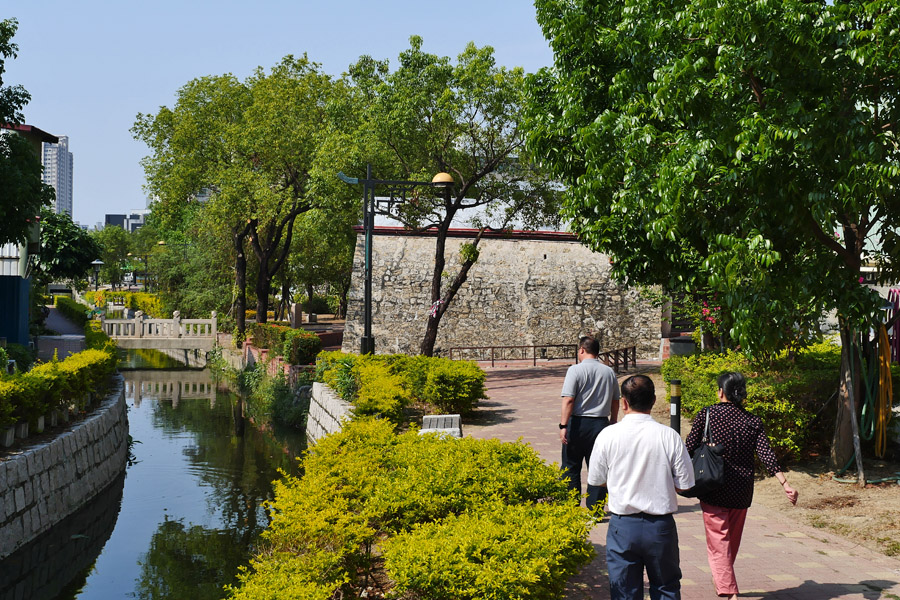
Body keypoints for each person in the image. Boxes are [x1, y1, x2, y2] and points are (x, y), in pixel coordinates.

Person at [685, 372, 799, 600]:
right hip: (742, 489)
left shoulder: (707, 414)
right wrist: (785, 483)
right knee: (731, 542)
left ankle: (729, 592)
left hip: (713, 485)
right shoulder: (752, 420)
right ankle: (722, 578)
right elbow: (766, 454)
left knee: (719, 542)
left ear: (720, 392)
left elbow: (688, 447)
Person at [588, 374, 695, 600]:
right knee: (666, 588)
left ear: (624, 403)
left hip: (623, 526)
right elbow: (685, 485)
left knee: (624, 591)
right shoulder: (669, 436)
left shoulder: (608, 435)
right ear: (654, 401)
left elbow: (596, 479)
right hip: (660, 526)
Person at [559, 335, 620, 512]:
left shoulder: (575, 371)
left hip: (577, 423)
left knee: (571, 465)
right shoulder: (608, 372)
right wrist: (613, 420)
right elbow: (616, 399)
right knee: (598, 466)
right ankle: (596, 508)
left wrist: (563, 426)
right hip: (600, 424)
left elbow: (569, 400)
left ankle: (570, 505)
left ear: (582, 350)